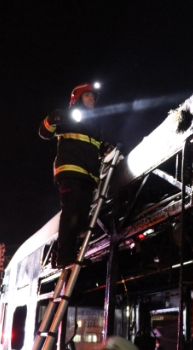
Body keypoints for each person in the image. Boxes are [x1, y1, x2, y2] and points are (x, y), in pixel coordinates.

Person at [39, 82, 113, 268]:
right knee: (71, 212)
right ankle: (65, 257)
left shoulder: (95, 124)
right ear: (77, 98)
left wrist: (104, 147)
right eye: (88, 96)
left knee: (80, 216)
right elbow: (44, 133)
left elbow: (95, 145)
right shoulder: (67, 117)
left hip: (89, 175)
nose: (92, 99)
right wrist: (51, 119)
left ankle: (62, 252)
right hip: (70, 170)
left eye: (93, 97)